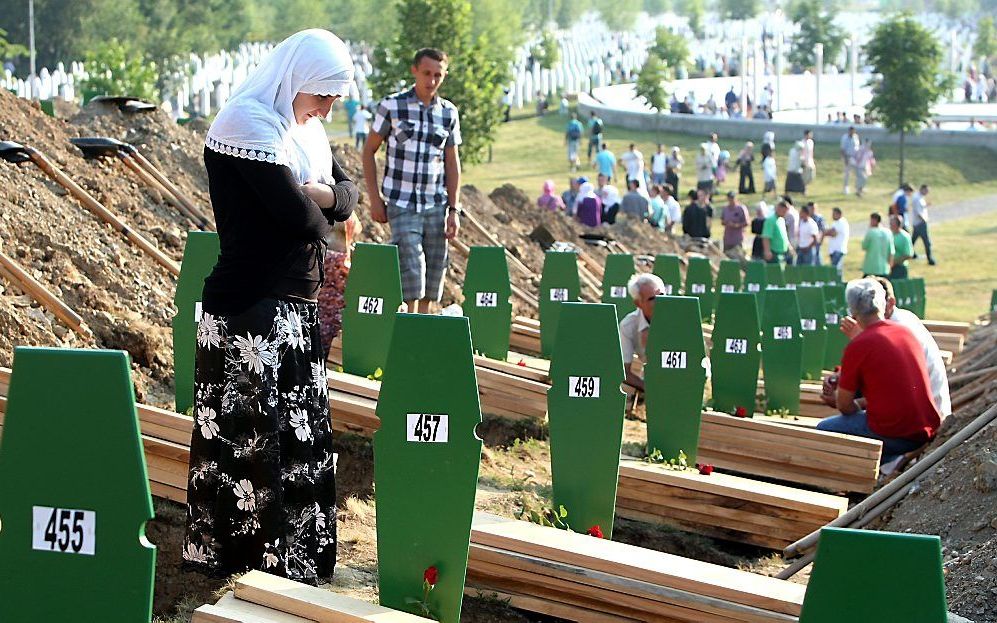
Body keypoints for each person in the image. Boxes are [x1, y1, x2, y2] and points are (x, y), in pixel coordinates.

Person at [188, 28, 359, 583]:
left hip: (294, 310)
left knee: (299, 438)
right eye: (325, 93)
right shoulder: (248, 123)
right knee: (249, 442)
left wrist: (324, 194)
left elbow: (347, 198)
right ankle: (244, 564)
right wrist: (321, 202)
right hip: (249, 310)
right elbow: (299, 219)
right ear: (295, 80)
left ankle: (294, 563)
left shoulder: (303, 132)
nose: (331, 106)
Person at [363, 47, 462, 314]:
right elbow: (368, 151)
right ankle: (407, 324)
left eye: (438, 75)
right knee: (410, 265)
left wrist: (454, 210)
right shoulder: (392, 106)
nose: (431, 81)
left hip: (435, 203)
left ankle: (423, 326)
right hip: (401, 201)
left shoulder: (448, 113)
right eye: (427, 73)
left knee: (434, 268)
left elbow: (452, 163)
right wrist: (374, 199)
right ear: (414, 71)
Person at [817, 279, 940, 462]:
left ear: (852, 312)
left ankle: (856, 479)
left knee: (823, 430)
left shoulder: (860, 344)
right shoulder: (904, 332)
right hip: (926, 426)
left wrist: (848, 402)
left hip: (898, 434)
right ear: (883, 304)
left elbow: (844, 406)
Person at [865, 278, 952, 419]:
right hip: (926, 411)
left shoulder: (897, 330)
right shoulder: (902, 318)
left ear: (890, 303)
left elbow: (890, 387)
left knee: (829, 427)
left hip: (923, 417)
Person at [619, 273, 667, 391]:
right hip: (654, 376)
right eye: (652, 299)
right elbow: (623, 372)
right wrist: (650, 390)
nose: (659, 302)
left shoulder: (680, 319)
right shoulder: (628, 325)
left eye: (661, 295)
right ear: (638, 303)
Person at [861, 212, 894, 277]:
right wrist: (890, 266)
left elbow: (864, 246)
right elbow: (891, 252)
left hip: (871, 268)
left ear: (874, 220)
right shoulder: (888, 232)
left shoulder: (871, 232)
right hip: (884, 269)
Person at [910, 184, 936, 265]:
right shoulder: (917, 198)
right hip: (920, 223)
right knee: (926, 242)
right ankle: (930, 259)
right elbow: (918, 211)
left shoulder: (919, 197)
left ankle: (911, 254)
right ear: (922, 189)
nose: (927, 193)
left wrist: (926, 205)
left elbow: (920, 208)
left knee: (912, 240)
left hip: (918, 223)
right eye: (926, 191)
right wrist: (924, 220)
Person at [761, 200, 791, 264]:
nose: (785, 213)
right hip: (774, 253)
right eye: (784, 211)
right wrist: (767, 251)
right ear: (779, 208)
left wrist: (789, 247)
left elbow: (784, 236)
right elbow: (766, 237)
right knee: (774, 272)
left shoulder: (782, 220)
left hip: (783, 252)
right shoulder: (770, 220)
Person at [824, 207, 849, 275]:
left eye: (834, 214)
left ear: (839, 214)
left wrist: (824, 232)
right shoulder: (836, 222)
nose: (832, 215)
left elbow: (833, 233)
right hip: (834, 250)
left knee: (836, 271)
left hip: (838, 250)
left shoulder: (841, 222)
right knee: (834, 270)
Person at [889, 215, 913, 279]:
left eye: (892, 224)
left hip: (900, 268)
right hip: (890, 267)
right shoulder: (889, 235)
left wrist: (894, 262)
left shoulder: (905, 236)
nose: (890, 225)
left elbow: (908, 255)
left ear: (897, 225)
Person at [840, 126, 860, 194]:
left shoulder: (856, 137)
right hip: (848, 157)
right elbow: (842, 149)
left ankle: (858, 187)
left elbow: (857, 147)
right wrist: (845, 158)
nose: (852, 132)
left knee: (858, 172)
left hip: (855, 157)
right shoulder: (845, 137)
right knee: (847, 173)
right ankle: (846, 187)